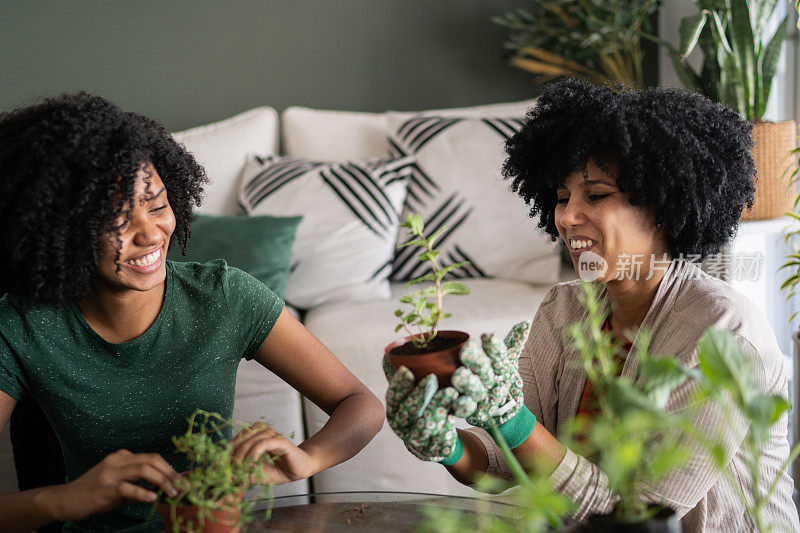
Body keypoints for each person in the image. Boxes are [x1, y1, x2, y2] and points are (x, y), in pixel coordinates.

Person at [384, 78, 800, 532]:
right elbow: (507, 460)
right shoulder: (564, 308)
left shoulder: (723, 333)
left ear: (662, 203)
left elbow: (637, 514)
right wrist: (449, 446)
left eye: (596, 195)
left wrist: (510, 417)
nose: (565, 217)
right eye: (562, 198)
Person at [0, 93, 384, 532]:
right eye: (116, 222)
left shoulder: (224, 295)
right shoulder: (20, 325)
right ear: (58, 229)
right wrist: (65, 499)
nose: (149, 233)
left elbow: (361, 404)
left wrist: (307, 458)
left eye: (158, 205)